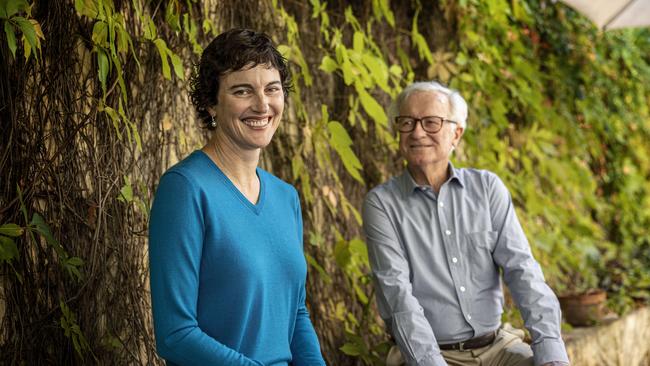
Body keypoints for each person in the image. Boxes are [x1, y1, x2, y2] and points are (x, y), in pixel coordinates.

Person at [148, 28, 326, 366]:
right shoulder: (185, 189)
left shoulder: (286, 197)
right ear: (210, 103)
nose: (262, 104)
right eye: (243, 90)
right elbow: (175, 335)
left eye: (272, 89)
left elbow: (295, 313)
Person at [362, 81, 570, 366]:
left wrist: (551, 354)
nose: (417, 132)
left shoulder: (486, 188)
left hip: (498, 348)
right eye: (407, 122)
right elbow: (397, 296)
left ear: (456, 134)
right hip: (430, 354)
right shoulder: (382, 204)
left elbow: (523, 272)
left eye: (431, 123)